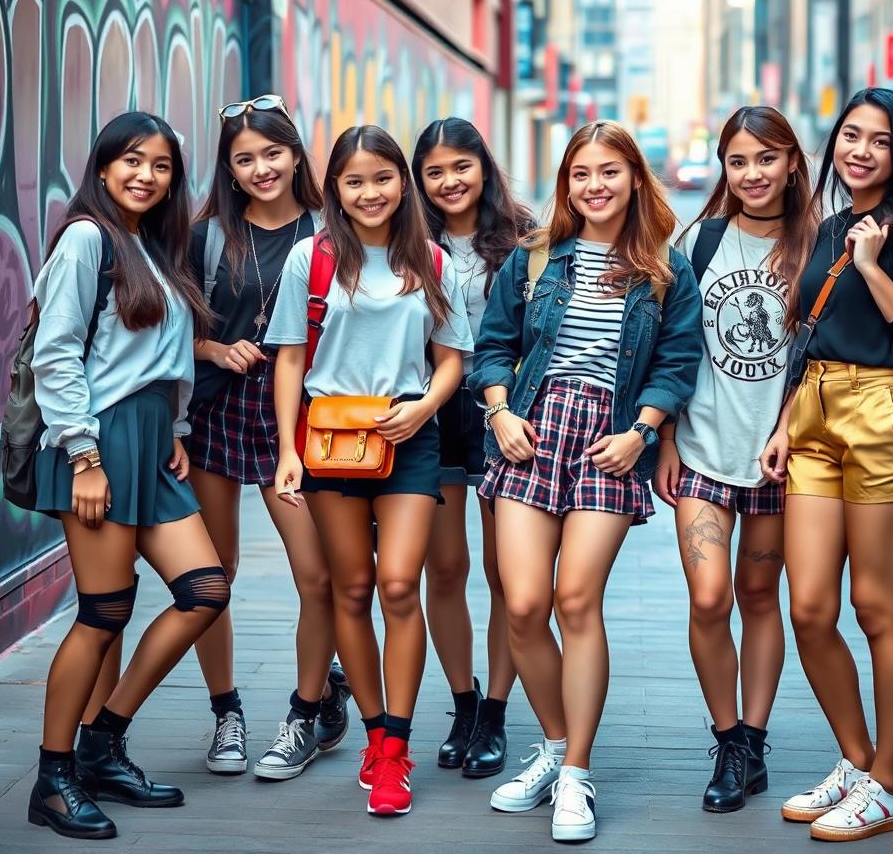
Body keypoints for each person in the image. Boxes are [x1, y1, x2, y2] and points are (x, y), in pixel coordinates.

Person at [469, 120, 703, 842]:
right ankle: (551, 742)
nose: (594, 185)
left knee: (575, 598)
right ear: (566, 182)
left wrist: (642, 432)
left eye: (609, 171)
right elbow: (494, 347)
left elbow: (677, 361)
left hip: (610, 440)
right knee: (522, 602)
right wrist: (501, 412)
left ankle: (576, 772)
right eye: (581, 173)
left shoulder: (665, 268)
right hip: (531, 431)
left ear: (635, 177)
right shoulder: (536, 260)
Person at [763, 88, 893, 841]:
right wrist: (785, 422)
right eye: (851, 135)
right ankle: (857, 762)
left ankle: (891, 784)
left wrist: (874, 266)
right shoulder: (831, 224)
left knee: (876, 606)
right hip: (814, 414)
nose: (862, 150)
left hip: (881, 416)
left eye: (880, 140)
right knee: (809, 608)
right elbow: (809, 331)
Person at [28, 112, 230, 840]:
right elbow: (56, 355)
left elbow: (164, 358)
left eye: (163, 165)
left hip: (151, 441)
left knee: (205, 589)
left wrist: (174, 432)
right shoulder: (88, 239)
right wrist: (84, 456)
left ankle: (103, 741)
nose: (147, 175)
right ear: (105, 167)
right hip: (99, 440)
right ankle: (53, 781)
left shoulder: (154, 247)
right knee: (104, 610)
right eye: (132, 161)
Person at [267, 125, 473, 817]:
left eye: (382, 178)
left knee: (397, 585)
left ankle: (397, 749)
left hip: (409, 439)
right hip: (331, 442)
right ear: (335, 191)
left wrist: (423, 411)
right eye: (353, 182)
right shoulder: (312, 258)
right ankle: (374, 735)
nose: (370, 192)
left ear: (401, 182)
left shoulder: (432, 261)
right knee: (351, 591)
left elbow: (451, 358)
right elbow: (291, 357)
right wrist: (288, 451)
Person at [655, 106, 818, 813]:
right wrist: (661, 438)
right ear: (724, 169)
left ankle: (751, 741)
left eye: (765, 158)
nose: (752, 173)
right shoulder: (701, 242)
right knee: (708, 597)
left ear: (791, 165)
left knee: (758, 597)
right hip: (699, 448)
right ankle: (726, 737)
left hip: (782, 456)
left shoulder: (817, 245)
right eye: (738, 160)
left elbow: (820, 358)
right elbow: (670, 343)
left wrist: (788, 426)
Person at [186, 95, 349, 780]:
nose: (261, 168)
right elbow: (163, 332)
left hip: (300, 420)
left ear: (295, 154)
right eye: (244, 158)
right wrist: (214, 350)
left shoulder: (329, 231)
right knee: (213, 576)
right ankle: (227, 712)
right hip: (217, 412)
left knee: (320, 574)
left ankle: (308, 709)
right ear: (228, 167)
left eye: (272, 153)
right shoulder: (206, 236)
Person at [411, 117, 532, 777]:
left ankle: (495, 709)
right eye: (434, 170)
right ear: (419, 180)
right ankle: (462, 704)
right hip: (428, 415)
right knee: (446, 568)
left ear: (483, 166)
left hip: (501, 413)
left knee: (506, 575)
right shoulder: (403, 242)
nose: (450, 180)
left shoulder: (525, 239)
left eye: (462, 165)